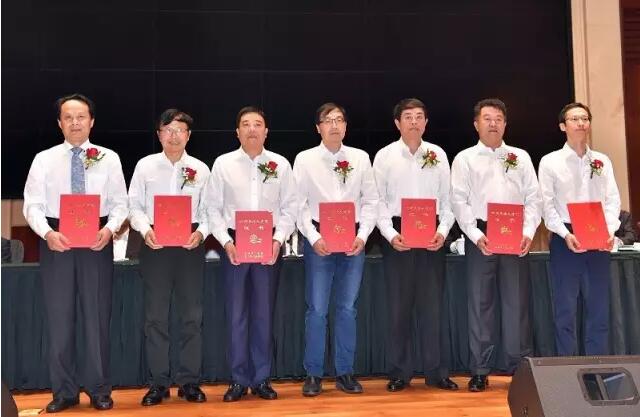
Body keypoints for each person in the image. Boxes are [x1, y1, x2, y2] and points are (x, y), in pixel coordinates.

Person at [23, 93, 128, 412]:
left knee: (96, 318)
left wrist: (110, 229)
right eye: (68, 117)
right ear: (59, 123)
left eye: (80, 116)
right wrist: (47, 233)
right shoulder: (43, 159)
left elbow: (120, 204)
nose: (75, 122)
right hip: (57, 240)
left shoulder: (109, 158)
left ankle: (99, 390)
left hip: (97, 240)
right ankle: (64, 392)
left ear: (91, 121)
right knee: (59, 319)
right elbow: (32, 205)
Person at [206, 106, 297, 402]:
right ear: (237, 132)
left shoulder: (280, 164)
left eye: (258, 124)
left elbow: (290, 207)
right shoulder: (223, 164)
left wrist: (278, 240)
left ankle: (261, 378)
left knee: (263, 314)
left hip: (268, 245)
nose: (252, 129)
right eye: (245, 124)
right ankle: (238, 379)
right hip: (234, 244)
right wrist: (225, 241)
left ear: (266, 131)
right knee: (236, 315)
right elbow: (213, 208)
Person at [450, 98, 541, 392]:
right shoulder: (464, 158)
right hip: (481, 234)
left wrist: (528, 231)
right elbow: (459, 200)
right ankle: (480, 369)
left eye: (498, 119)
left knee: (517, 303)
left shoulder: (520, 156)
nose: (493, 123)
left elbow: (534, 198)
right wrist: (475, 234)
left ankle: (519, 368)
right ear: (476, 124)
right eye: (487, 118)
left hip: (515, 234)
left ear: (505, 124)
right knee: (480, 304)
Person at [293, 103, 379, 396]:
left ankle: (345, 372)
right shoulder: (305, 159)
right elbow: (299, 204)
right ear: (318, 127)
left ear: (345, 126)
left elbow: (371, 201)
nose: (334, 125)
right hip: (319, 240)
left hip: (352, 241)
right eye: (328, 120)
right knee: (317, 309)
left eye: (339, 120)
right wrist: (313, 236)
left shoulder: (360, 158)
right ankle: (313, 373)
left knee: (347, 309)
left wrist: (363, 235)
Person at [373, 98, 458, 392]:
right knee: (398, 307)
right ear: (398, 123)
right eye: (408, 117)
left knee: (433, 307)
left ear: (426, 123)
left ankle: (437, 372)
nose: (413, 121)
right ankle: (399, 372)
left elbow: (448, 201)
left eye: (419, 116)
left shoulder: (438, 154)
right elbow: (377, 201)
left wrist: (443, 232)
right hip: (398, 235)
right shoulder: (384, 156)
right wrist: (389, 234)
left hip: (431, 235)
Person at [128, 109, 210, 406]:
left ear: (188, 136)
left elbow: (209, 210)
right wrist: (145, 229)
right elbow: (134, 205)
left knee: (192, 317)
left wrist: (201, 233)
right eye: (168, 130)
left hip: (190, 246)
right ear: (159, 134)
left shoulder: (201, 169)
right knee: (155, 318)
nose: (174, 136)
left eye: (180, 130)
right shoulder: (145, 166)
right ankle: (158, 383)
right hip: (156, 247)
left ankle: (189, 382)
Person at [538, 102, 621, 356]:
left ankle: (597, 365)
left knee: (599, 308)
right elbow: (546, 206)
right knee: (565, 309)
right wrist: (565, 234)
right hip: (566, 237)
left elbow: (613, 200)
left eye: (585, 118)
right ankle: (568, 366)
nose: (581, 123)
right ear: (563, 126)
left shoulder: (602, 160)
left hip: (599, 236)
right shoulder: (550, 162)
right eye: (574, 119)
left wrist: (610, 230)